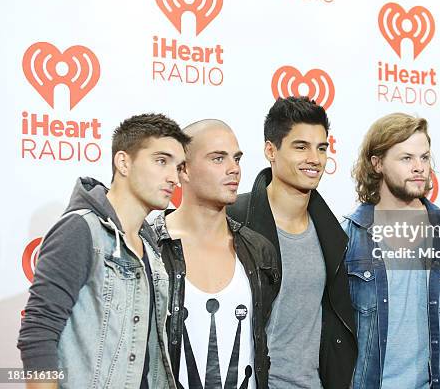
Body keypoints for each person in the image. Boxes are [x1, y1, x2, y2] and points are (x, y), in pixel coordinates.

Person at [18, 113, 190, 389]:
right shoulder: (81, 230)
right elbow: (38, 333)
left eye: (178, 166)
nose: (174, 178)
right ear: (123, 162)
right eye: (161, 161)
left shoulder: (150, 244)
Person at [227, 97, 357, 389]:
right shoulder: (235, 221)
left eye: (321, 148)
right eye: (301, 147)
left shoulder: (334, 234)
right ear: (270, 150)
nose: (315, 158)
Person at [342, 113, 440, 389]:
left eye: (424, 158)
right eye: (406, 158)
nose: (419, 168)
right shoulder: (347, 236)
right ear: (377, 163)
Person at [154, 119, 280, 389]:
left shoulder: (259, 251)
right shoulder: (151, 247)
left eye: (236, 158)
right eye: (218, 158)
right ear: (183, 170)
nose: (234, 169)